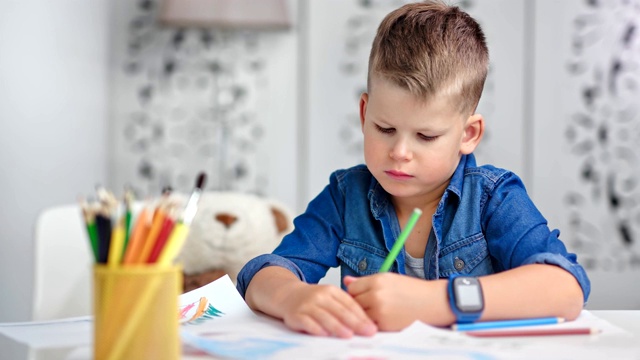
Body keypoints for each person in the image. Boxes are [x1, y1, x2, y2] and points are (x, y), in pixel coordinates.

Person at [236, 0, 590, 338]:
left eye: (426, 135)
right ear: (364, 114)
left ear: (468, 134)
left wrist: (435, 302)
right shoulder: (347, 196)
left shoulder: (492, 198)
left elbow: (566, 287)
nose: (400, 153)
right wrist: (292, 298)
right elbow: (263, 275)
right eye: (385, 129)